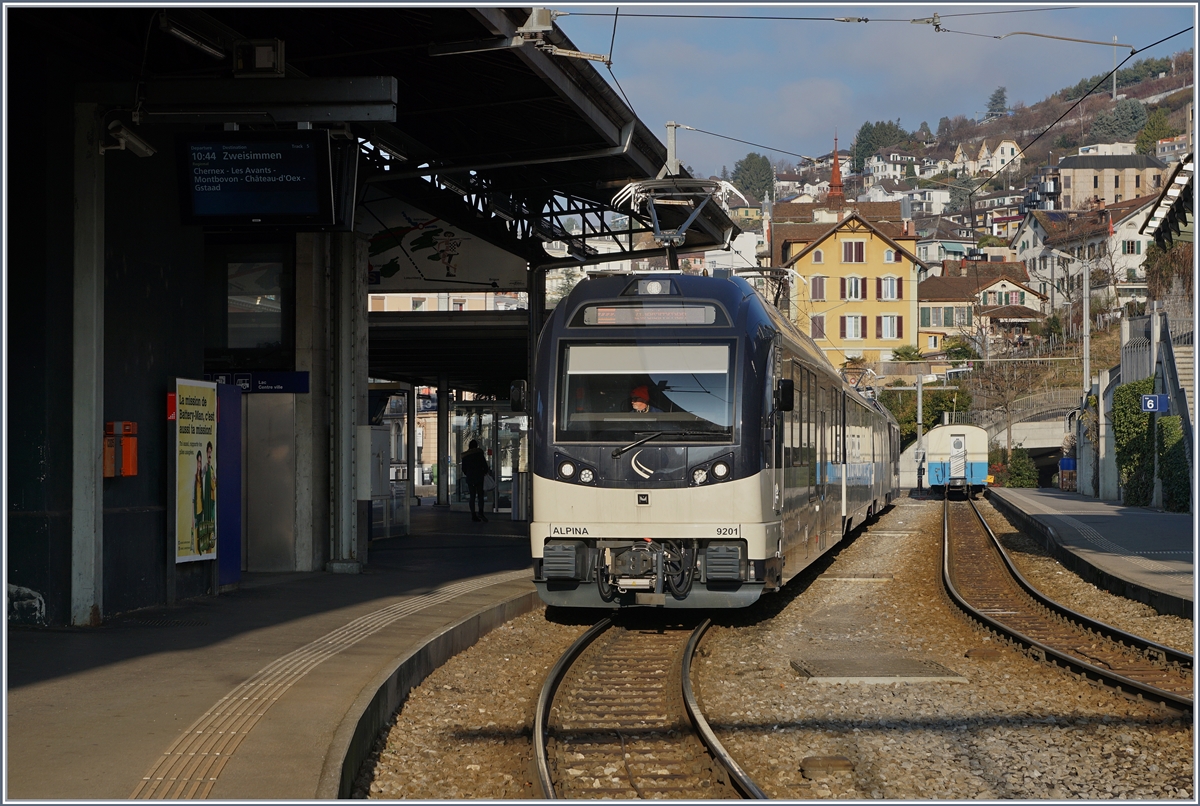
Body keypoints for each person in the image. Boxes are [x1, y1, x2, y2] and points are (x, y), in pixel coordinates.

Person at [460, 439, 491, 522]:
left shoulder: (465, 456)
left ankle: (473, 514)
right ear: (476, 446)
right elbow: (485, 465)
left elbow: (464, 469)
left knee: (472, 497)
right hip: (479, 477)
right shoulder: (479, 454)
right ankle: (481, 512)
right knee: (480, 496)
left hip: (470, 478)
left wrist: (469, 474)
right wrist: (483, 472)